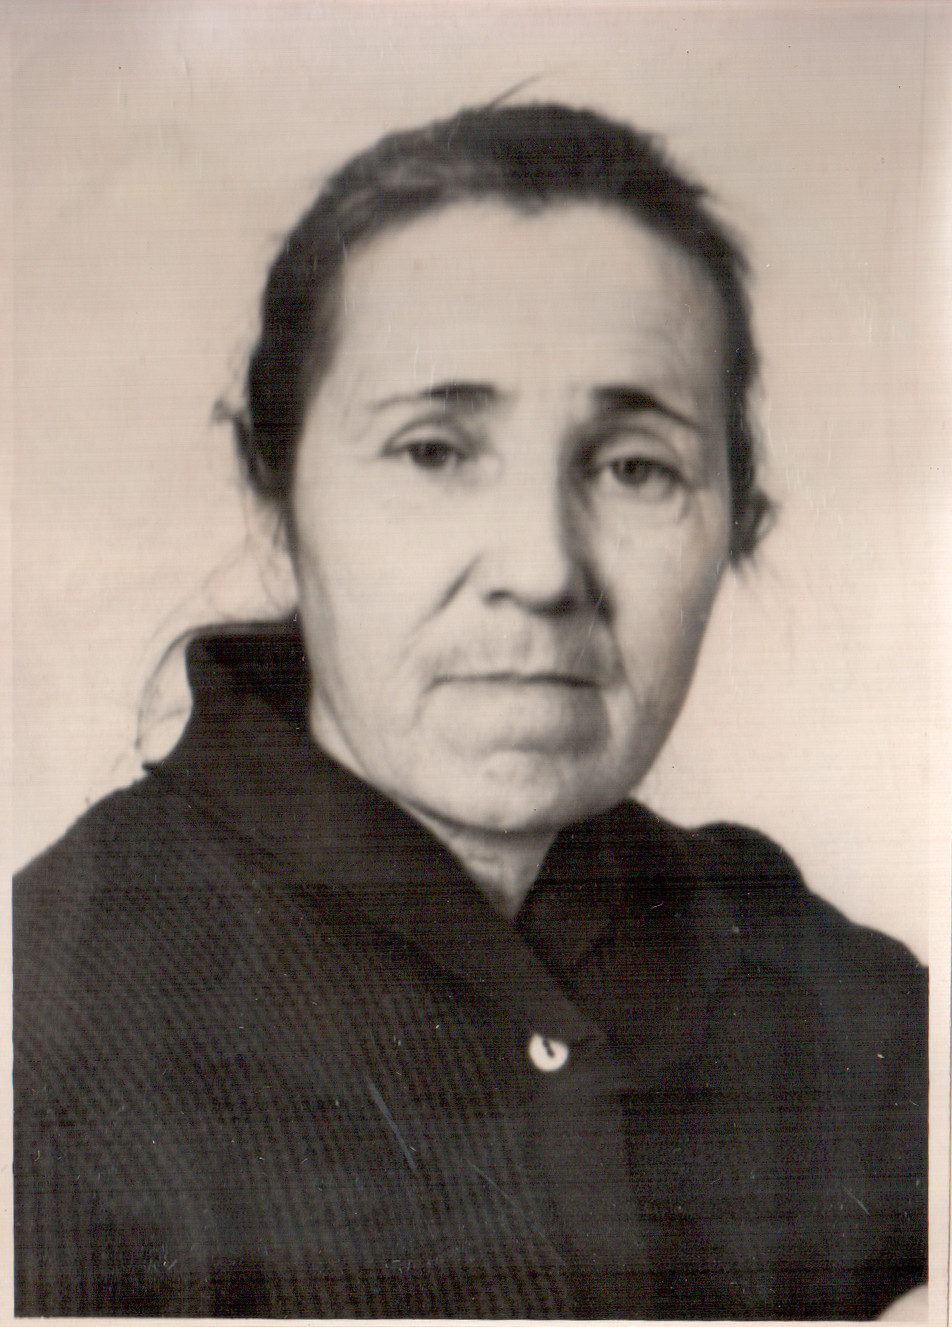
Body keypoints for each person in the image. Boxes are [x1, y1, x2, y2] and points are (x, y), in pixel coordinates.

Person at [13, 103, 926, 1318]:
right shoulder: (46, 1016)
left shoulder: (837, 999)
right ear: (273, 495)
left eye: (636, 466)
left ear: (739, 517)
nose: (543, 569)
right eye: (434, 451)